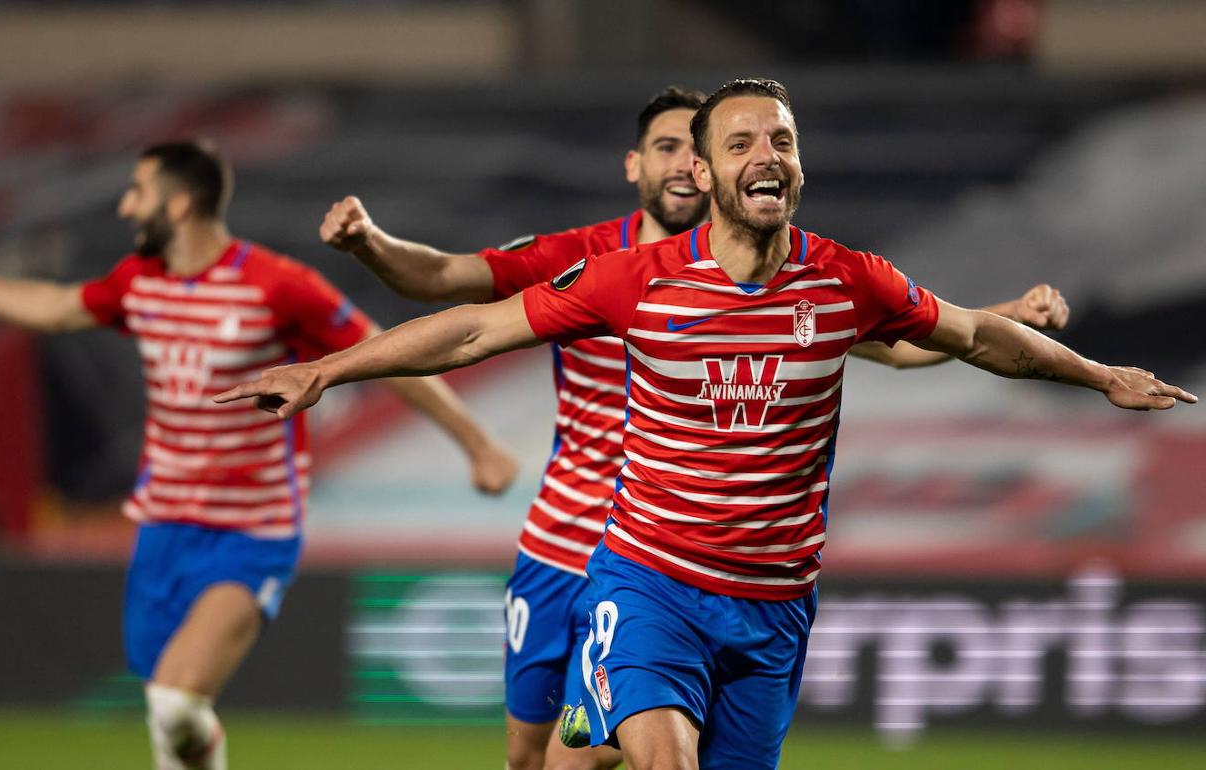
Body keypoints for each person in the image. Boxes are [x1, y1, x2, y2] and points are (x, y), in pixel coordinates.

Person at [219, 79, 1178, 768]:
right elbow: (472, 326)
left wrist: (1100, 376)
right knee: (649, 758)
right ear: (707, 174)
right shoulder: (632, 279)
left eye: (782, 141)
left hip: (773, 604)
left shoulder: (849, 281)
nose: (767, 156)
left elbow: (972, 338)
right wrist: (327, 370)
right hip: (649, 577)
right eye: (741, 143)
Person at [0, 140, 517, 770]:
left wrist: (477, 443)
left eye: (138, 192)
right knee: (171, 717)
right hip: (163, 529)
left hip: (250, 531)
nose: (125, 206)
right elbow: (58, 308)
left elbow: (384, 352)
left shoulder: (276, 285)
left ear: (180, 204)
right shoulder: (139, 282)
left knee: (175, 702)